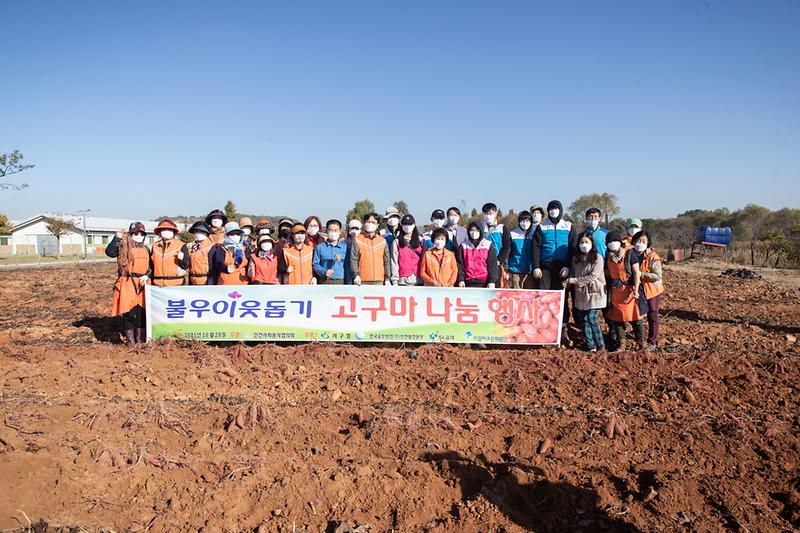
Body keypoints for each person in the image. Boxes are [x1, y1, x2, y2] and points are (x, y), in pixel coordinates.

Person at [532, 200, 577, 341]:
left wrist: (568, 266)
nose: (553, 211)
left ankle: (562, 327)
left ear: (561, 210)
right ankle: (543, 326)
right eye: (551, 209)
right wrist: (536, 266)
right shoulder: (542, 226)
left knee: (561, 297)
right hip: (545, 267)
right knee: (544, 296)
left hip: (562, 268)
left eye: (556, 208)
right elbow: (536, 247)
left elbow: (573, 247)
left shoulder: (569, 226)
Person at [106, 222, 150, 345]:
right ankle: (131, 341)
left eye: (141, 233)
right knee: (129, 312)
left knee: (142, 312)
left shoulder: (147, 249)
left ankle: (141, 340)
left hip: (143, 283)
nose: (138, 235)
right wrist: (117, 238)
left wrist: (147, 275)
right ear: (130, 234)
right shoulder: (123, 247)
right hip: (127, 282)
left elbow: (151, 265)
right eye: (135, 233)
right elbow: (110, 252)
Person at [565, 231, 607, 352]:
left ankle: (600, 345)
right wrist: (568, 279)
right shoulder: (576, 258)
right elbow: (573, 271)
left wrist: (573, 280)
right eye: (582, 242)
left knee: (591, 318)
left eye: (586, 242)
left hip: (595, 292)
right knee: (584, 320)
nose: (584, 245)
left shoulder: (597, 258)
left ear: (592, 243)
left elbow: (593, 276)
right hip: (581, 293)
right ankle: (590, 345)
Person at [605, 231, 645, 351]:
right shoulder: (609, 256)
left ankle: (641, 343)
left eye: (615, 241)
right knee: (618, 318)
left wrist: (636, 289)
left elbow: (636, 273)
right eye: (610, 242)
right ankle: (622, 344)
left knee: (636, 317)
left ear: (620, 242)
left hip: (629, 290)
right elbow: (608, 273)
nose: (612, 244)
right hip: (616, 290)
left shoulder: (629, 254)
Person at [632, 231, 663, 349]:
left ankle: (652, 340)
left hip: (651, 289)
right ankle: (638, 337)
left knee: (652, 313)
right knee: (636, 313)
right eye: (638, 241)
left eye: (644, 241)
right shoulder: (630, 254)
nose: (640, 243)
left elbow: (656, 276)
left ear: (648, 243)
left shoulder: (653, 257)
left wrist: (640, 274)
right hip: (636, 288)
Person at [349, 212, 391, 286]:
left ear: (377, 225)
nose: (370, 224)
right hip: (362, 281)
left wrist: (387, 278)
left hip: (379, 281)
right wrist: (355, 275)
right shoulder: (357, 240)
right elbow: (353, 259)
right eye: (368, 222)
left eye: (373, 222)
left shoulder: (382, 241)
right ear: (364, 223)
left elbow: (386, 261)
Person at [456, 222, 500, 288]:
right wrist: (460, 279)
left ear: (481, 231)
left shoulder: (488, 245)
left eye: (476, 230)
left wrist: (492, 281)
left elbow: (493, 265)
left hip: (484, 281)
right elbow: (460, 265)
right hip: (468, 282)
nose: (474, 232)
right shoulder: (463, 246)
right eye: (472, 230)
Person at [150, 219, 190, 286]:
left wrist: (182, 259)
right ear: (159, 232)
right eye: (163, 229)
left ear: (173, 232)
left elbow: (187, 265)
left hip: (176, 285)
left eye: (169, 229)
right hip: (157, 285)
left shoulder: (181, 245)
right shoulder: (155, 246)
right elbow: (151, 265)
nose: (166, 231)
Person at [480, 203, 511, 286]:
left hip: (496, 263)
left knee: (495, 286)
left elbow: (507, 246)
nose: (488, 216)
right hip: (482, 263)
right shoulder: (480, 227)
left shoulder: (501, 228)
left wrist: (500, 260)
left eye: (490, 213)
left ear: (496, 213)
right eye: (486, 213)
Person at [390, 214, 423, 286]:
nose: (407, 226)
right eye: (405, 224)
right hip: (402, 281)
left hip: (419, 281)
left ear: (414, 225)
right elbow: (394, 262)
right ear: (401, 225)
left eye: (410, 224)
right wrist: (395, 281)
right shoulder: (396, 242)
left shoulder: (421, 241)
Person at [312, 219, 348, 284]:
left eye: (335, 230)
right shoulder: (320, 247)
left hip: (340, 281)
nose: (333, 233)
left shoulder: (344, 247)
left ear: (340, 232)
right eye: (331, 230)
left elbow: (347, 265)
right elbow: (315, 264)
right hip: (324, 280)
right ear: (326, 231)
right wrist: (324, 271)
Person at [508, 211, 535, 289]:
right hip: (515, 269)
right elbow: (508, 252)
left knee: (529, 296)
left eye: (527, 221)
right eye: (522, 221)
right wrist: (507, 268)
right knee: (516, 295)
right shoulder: (512, 234)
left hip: (530, 271)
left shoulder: (534, 234)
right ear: (519, 222)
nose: (524, 223)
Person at [187, 221, 216, 285]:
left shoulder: (211, 247)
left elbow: (213, 269)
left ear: (207, 234)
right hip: (193, 280)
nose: (198, 234)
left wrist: (210, 283)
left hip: (206, 281)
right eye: (196, 231)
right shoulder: (192, 248)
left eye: (202, 232)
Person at [344, 219, 362, 285]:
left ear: (360, 230)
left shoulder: (363, 243)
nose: (354, 231)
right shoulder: (343, 243)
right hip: (347, 275)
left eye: (356, 229)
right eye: (352, 228)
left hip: (360, 275)